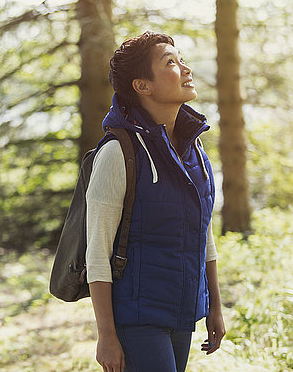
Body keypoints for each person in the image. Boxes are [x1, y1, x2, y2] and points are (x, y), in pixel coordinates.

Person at [85, 31, 226, 372]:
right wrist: (106, 335)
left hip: (182, 312)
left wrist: (214, 307)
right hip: (137, 318)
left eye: (182, 59)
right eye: (171, 63)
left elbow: (202, 233)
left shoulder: (195, 149)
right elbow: (97, 252)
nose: (185, 68)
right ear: (142, 86)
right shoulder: (119, 153)